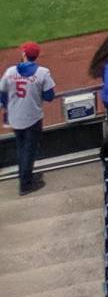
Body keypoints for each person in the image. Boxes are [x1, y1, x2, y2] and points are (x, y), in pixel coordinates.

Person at [8, 46, 56, 194]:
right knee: (29, 150)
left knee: (22, 148)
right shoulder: (43, 72)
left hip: (15, 117)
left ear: (24, 54)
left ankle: (24, 178)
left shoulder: (11, 71)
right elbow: (49, 96)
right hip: (32, 117)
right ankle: (25, 184)